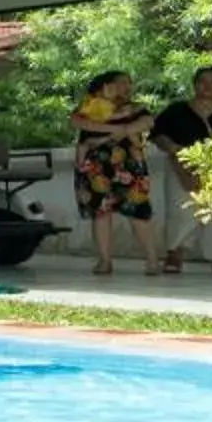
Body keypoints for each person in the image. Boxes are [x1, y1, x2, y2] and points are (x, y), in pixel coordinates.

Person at [151, 65, 212, 275]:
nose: (207, 85)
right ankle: (174, 253)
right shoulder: (176, 110)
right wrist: (173, 149)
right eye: (202, 81)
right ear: (194, 84)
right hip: (182, 167)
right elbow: (158, 134)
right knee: (180, 212)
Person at [73, 71, 158, 274]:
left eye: (129, 83)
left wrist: (126, 127)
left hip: (129, 164)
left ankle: (152, 260)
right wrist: (112, 131)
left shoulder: (135, 108)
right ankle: (104, 260)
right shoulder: (90, 107)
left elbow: (147, 123)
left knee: (138, 211)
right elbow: (77, 122)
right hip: (96, 166)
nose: (127, 87)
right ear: (105, 86)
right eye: (121, 83)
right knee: (101, 212)